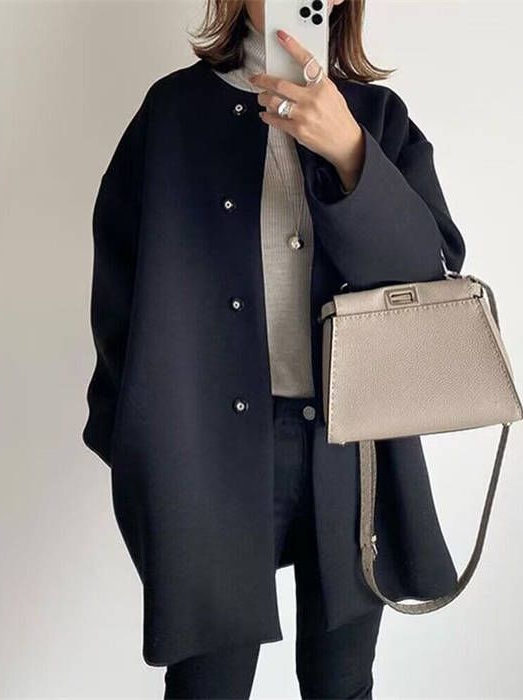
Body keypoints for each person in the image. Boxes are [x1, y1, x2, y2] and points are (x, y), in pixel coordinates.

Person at [82, 0, 466, 696]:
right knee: (207, 687)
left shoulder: (375, 118)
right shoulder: (171, 113)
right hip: (205, 455)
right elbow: (117, 292)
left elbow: (429, 276)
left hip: (350, 452)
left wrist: (349, 153)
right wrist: (136, 436)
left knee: (342, 682)